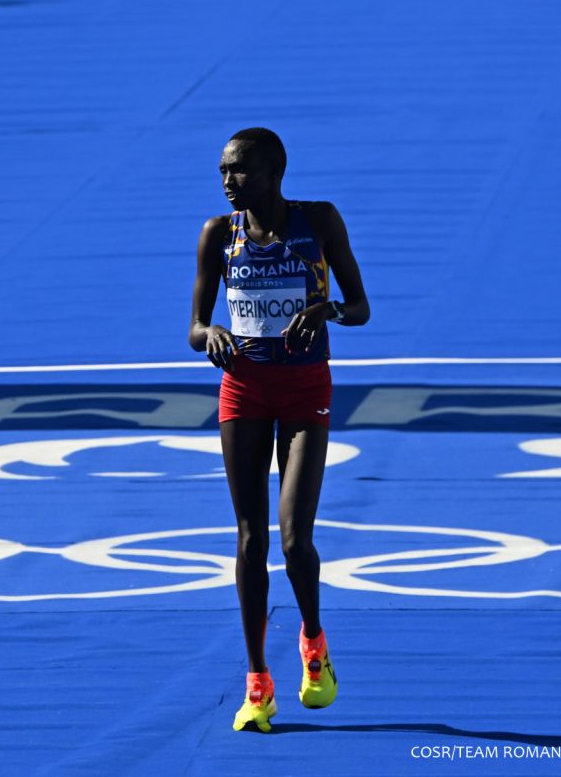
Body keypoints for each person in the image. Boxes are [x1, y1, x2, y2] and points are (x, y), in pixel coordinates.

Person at [188, 127, 370, 732]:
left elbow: (360, 307)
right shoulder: (219, 234)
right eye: (222, 171)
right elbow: (194, 325)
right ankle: (257, 683)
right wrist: (208, 334)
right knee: (249, 540)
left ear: (273, 171)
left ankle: (313, 645)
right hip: (243, 389)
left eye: (238, 170)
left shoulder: (318, 221)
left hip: (304, 392)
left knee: (294, 542)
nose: (227, 181)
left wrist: (329, 310)